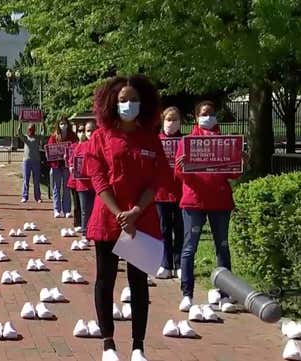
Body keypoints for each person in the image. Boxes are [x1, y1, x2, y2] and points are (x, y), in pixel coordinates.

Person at [85, 75, 169, 361]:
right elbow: (98, 178)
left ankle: (138, 347)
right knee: (105, 280)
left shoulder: (150, 138)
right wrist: (119, 212)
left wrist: (136, 211)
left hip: (140, 219)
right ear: (112, 103)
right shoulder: (100, 136)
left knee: (138, 282)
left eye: (133, 100)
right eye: (123, 100)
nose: (128, 104)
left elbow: (156, 179)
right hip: (108, 218)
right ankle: (108, 344)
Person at [175, 100, 241, 312]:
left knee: (222, 247)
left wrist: (241, 162)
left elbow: (234, 173)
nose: (208, 117)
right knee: (189, 247)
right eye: (204, 113)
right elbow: (179, 175)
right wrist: (182, 167)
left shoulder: (225, 142)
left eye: (212, 113)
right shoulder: (187, 142)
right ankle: (187, 294)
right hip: (194, 201)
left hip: (220, 202)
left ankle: (224, 294)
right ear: (196, 117)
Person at [155, 107, 185, 279]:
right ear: (162, 120)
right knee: (164, 229)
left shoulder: (185, 142)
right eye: (168, 119)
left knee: (180, 228)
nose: (171, 123)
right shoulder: (156, 141)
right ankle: (165, 263)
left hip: (181, 192)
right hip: (161, 192)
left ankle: (179, 263)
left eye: (175, 120)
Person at [67, 120, 97, 235]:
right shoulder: (80, 147)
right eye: (88, 131)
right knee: (85, 209)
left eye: (92, 130)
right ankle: (85, 232)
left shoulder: (101, 146)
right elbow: (72, 162)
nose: (90, 133)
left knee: (95, 209)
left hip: (96, 184)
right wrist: (72, 168)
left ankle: (93, 231)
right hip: (82, 185)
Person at [47, 115, 77, 218]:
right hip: (56, 166)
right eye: (61, 124)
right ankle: (57, 209)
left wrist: (69, 156)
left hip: (67, 166)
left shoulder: (72, 136)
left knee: (66, 188)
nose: (63, 125)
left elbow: (76, 148)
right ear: (58, 125)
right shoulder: (54, 136)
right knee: (56, 188)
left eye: (64, 123)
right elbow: (50, 151)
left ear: (67, 124)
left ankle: (67, 210)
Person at [18, 122, 44, 203]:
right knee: (26, 179)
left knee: (36, 180)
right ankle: (24, 196)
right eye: (29, 129)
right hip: (27, 161)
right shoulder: (26, 138)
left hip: (36, 161)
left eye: (32, 129)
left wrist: (42, 124)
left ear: (34, 130)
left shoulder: (37, 137)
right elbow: (19, 132)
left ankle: (38, 197)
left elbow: (43, 133)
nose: (30, 130)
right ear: (27, 130)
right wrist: (20, 123)